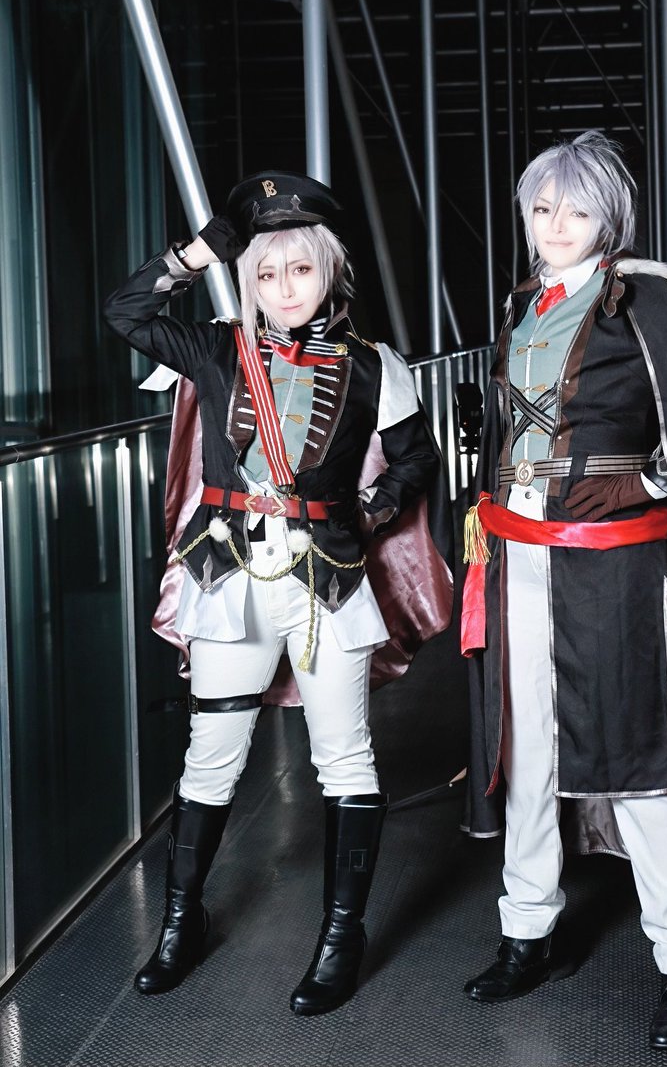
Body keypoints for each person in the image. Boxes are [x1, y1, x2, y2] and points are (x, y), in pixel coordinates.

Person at [104, 171, 452, 1015]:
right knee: (212, 755)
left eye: (299, 269)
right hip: (227, 575)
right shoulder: (217, 349)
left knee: (346, 758)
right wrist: (198, 253)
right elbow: (126, 313)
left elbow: (418, 458)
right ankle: (180, 923)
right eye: (265, 272)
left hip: (327, 579)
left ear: (328, 269)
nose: (284, 288)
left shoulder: (375, 367)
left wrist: (374, 506)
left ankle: (341, 937)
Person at [460, 131, 667, 1051]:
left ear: (610, 218)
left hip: (615, 565)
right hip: (521, 554)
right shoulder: (526, 304)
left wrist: (651, 478)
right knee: (527, 750)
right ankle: (527, 932)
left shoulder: (643, 300)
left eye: (578, 209)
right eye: (543, 208)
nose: (557, 225)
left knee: (638, 761)